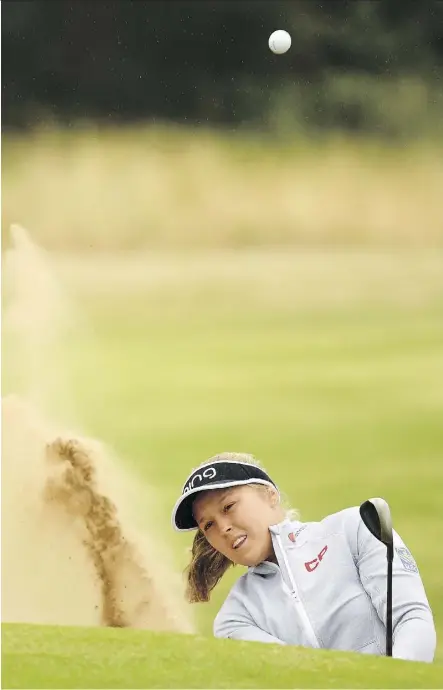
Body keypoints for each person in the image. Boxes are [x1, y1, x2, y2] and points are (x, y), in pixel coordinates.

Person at [171, 452, 436, 663]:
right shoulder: (235, 617)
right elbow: (295, 678)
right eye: (208, 526)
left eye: (228, 507)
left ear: (270, 496)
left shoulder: (356, 526)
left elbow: (411, 617)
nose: (223, 528)